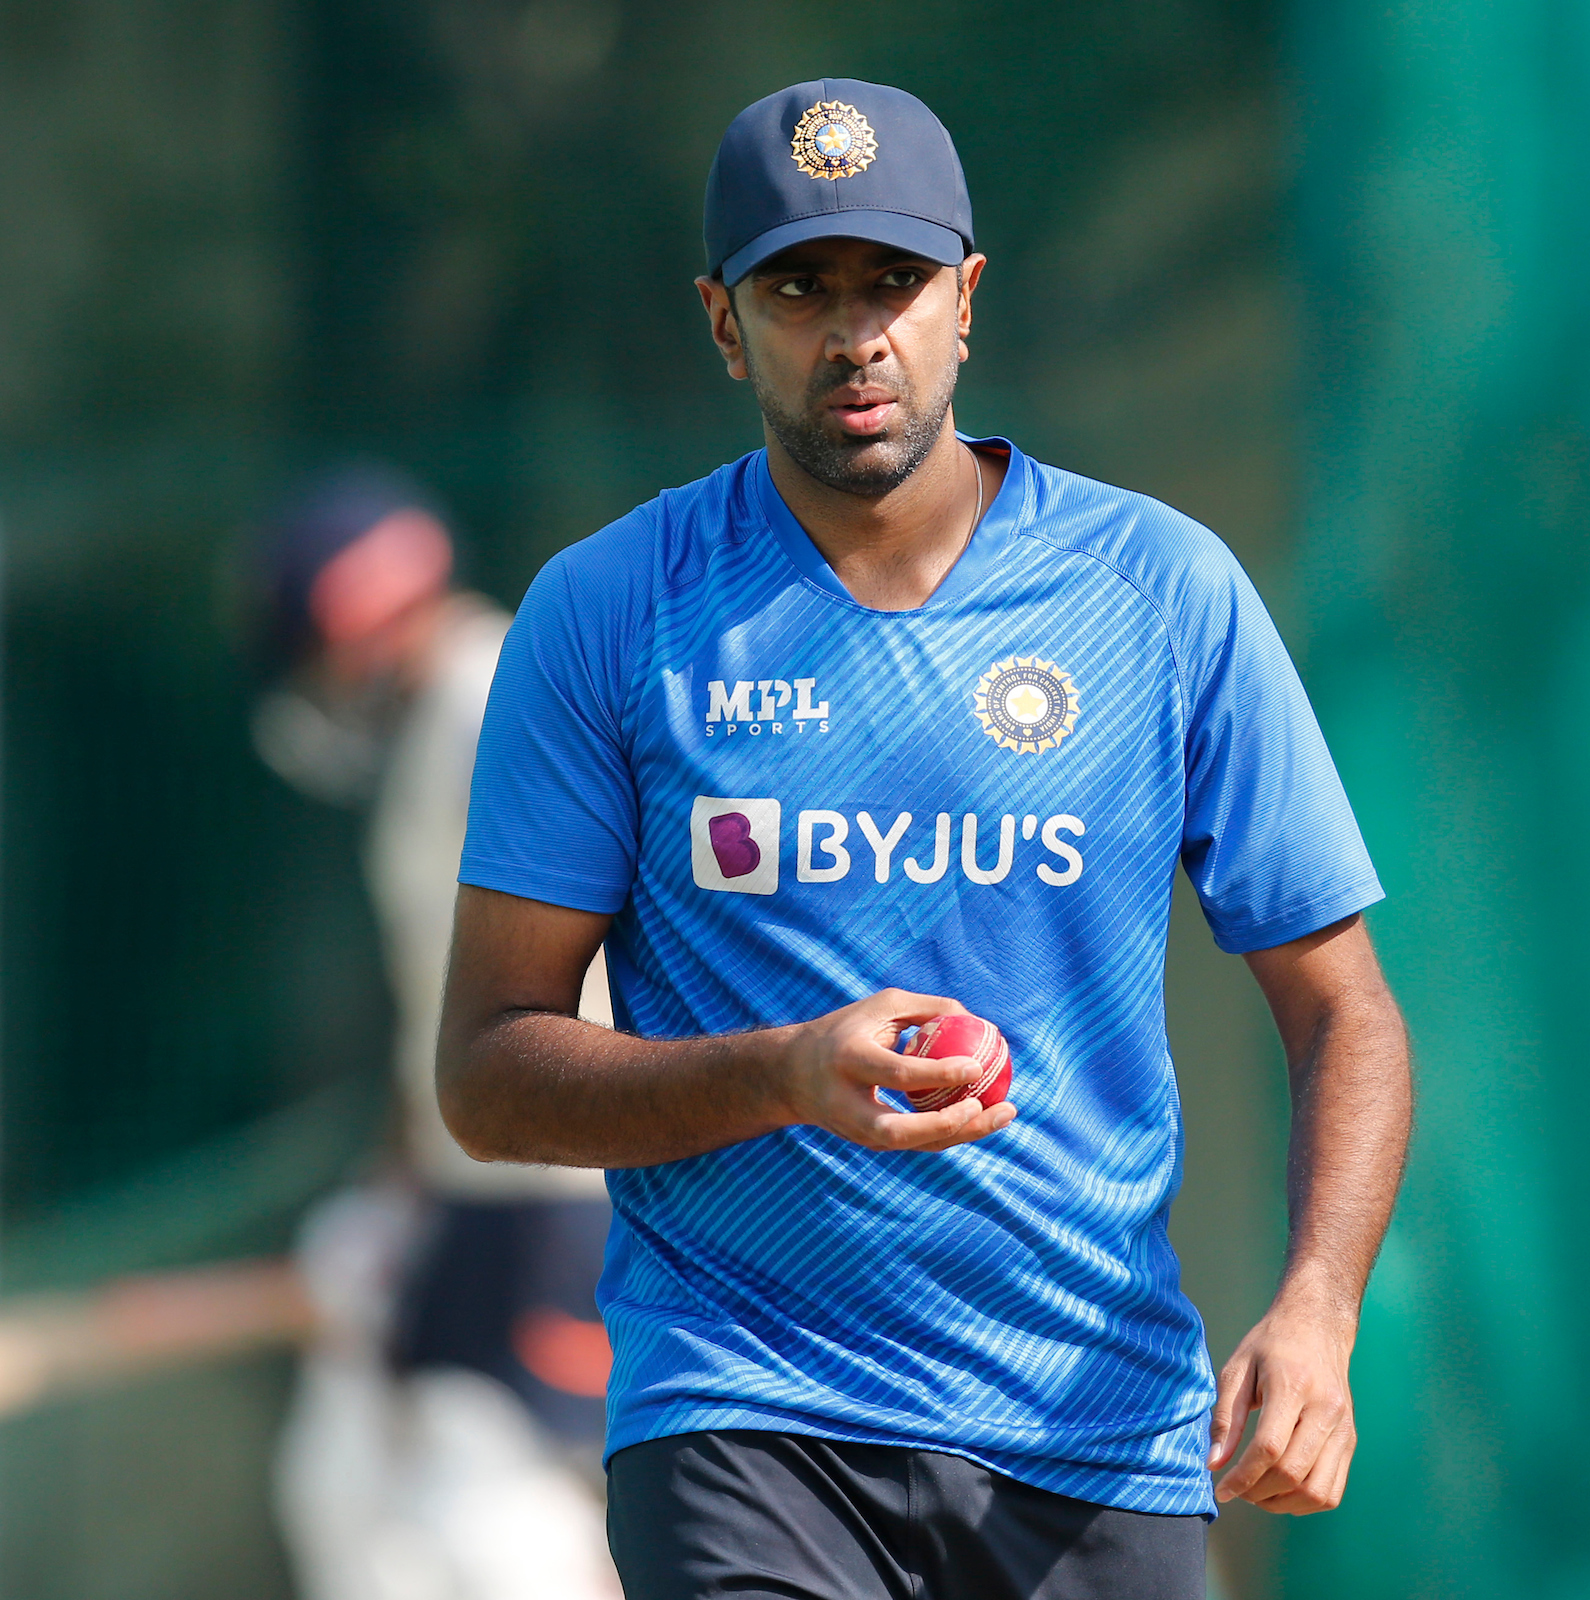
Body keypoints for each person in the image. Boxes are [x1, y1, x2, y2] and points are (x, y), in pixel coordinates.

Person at [436, 78, 1413, 1600]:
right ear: (721, 321)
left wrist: (1319, 1312)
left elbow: (1342, 1003)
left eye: (892, 282)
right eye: (798, 288)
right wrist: (785, 1071)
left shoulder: (1158, 592)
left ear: (965, 300)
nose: (853, 333)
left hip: (1093, 1422)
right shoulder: (612, 612)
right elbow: (489, 1072)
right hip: (746, 1416)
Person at [245, 467, 618, 1600]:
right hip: (489, 1173)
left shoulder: (492, 703)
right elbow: (448, 993)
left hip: (563, 1181)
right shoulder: (452, 714)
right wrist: (401, 1179)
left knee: (502, 1495)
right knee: (391, 1479)